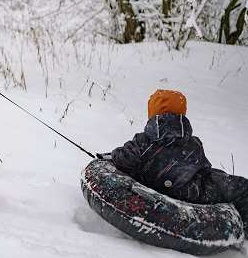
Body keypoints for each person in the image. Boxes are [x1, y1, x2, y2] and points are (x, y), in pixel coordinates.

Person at [105, 89, 248, 231]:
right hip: (189, 193)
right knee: (239, 187)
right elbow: (204, 168)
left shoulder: (142, 140)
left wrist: (113, 156)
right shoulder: (193, 143)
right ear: (182, 113)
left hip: (150, 184)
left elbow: (123, 159)